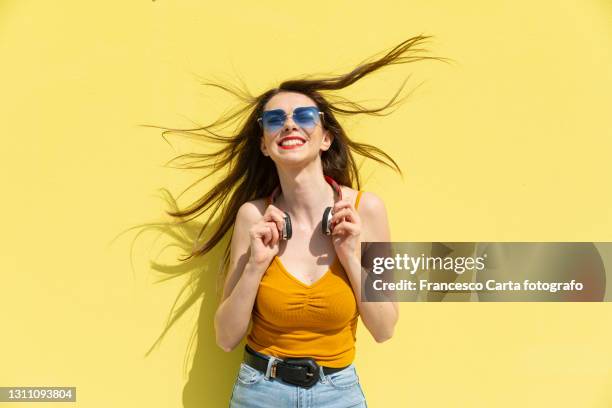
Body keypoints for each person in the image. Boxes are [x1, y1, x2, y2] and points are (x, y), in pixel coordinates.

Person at [207, 36, 445, 407]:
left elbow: (384, 329)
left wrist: (351, 255)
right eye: (274, 120)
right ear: (264, 145)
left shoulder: (368, 211)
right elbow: (225, 337)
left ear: (325, 138)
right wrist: (255, 264)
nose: (289, 125)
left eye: (303, 117)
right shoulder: (253, 216)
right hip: (261, 391)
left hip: (338, 394)